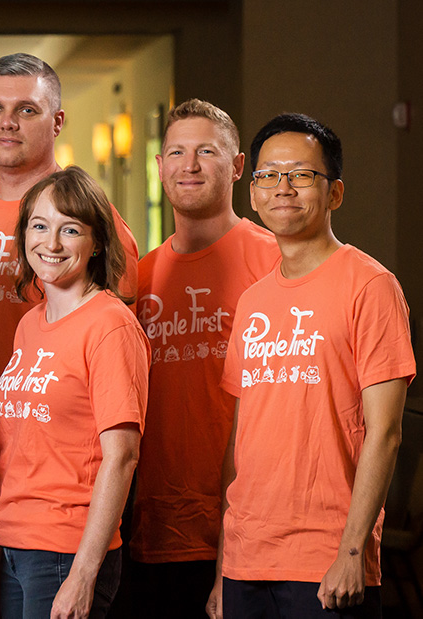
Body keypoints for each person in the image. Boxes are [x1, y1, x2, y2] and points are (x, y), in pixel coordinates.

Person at [0, 53, 140, 618]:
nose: (7, 122)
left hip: (62, 506)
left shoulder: (99, 225)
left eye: (27, 109)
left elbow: (119, 396)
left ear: (57, 121)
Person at [206, 114, 414, 619]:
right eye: (268, 175)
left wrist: (352, 553)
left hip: (326, 559)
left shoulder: (371, 287)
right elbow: (240, 439)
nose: (283, 188)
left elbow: (385, 433)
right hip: (246, 558)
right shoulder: (253, 302)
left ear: (334, 193)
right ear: (253, 194)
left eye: (301, 175)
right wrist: (223, 567)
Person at [116, 99, 278, 618]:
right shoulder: (140, 279)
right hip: (155, 529)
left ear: (237, 165)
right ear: (159, 166)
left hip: (253, 529)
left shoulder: (275, 259)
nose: (189, 165)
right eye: (176, 153)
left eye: (206, 152)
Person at [0, 167, 148, 619]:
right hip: (15, 544)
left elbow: (122, 456)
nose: (52, 243)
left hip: (66, 550)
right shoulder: (29, 324)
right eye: (39, 226)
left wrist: (83, 574)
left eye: (70, 229)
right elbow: (21, 449)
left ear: (96, 242)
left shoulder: (110, 325)